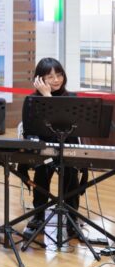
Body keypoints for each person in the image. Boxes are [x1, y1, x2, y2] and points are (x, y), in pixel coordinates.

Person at [20, 58, 82, 236]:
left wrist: (48, 97)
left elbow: (68, 130)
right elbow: (28, 131)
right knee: (42, 169)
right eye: (50, 76)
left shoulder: (71, 99)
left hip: (68, 148)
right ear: (39, 79)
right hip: (43, 150)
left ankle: (72, 217)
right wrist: (45, 96)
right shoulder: (31, 100)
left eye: (59, 75)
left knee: (70, 172)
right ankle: (38, 215)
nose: (56, 80)